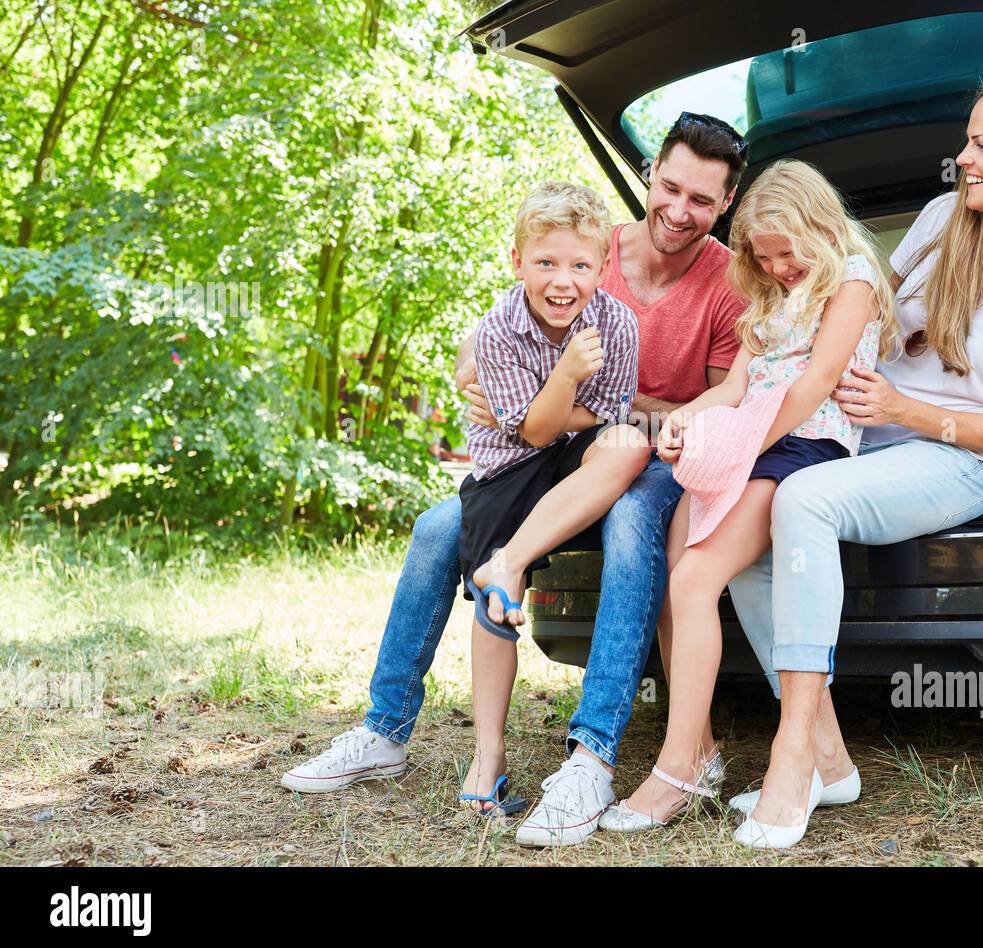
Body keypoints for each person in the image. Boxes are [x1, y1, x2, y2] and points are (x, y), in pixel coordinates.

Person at [282, 113, 748, 848]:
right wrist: (490, 373)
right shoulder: (595, 246)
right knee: (437, 528)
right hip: (556, 455)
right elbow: (512, 319)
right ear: (650, 175)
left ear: (725, 204)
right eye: (670, 187)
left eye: (702, 200)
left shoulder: (727, 281)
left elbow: (717, 407)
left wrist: (586, 408)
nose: (679, 211)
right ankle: (384, 728)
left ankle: (592, 755)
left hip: (654, 457)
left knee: (633, 518)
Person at [726, 70, 983, 849]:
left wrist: (906, 409)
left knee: (804, 502)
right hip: (862, 438)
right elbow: (855, 310)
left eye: (980, 143)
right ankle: (828, 755)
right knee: (745, 529)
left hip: (956, 455)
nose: (962, 156)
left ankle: (791, 754)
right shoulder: (940, 221)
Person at [597, 160, 898, 832]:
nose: (778, 267)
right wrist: (687, 420)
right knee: (681, 570)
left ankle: (677, 769)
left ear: (819, 228)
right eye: (762, 256)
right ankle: (807, 761)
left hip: (802, 443)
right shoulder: (765, 294)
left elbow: (819, 381)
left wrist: (740, 443)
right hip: (752, 439)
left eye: (786, 252)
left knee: (699, 577)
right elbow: (734, 387)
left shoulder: (851, 277)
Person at [454, 182, 646, 813]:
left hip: (570, 456)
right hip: (508, 468)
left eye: (581, 265)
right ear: (518, 262)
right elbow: (532, 431)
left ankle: (509, 559)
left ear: (602, 267)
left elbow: (609, 413)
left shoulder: (616, 322)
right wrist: (565, 379)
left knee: (628, 442)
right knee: (494, 608)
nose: (563, 281)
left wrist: (568, 406)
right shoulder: (497, 328)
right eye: (546, 263)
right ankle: (489, 755)